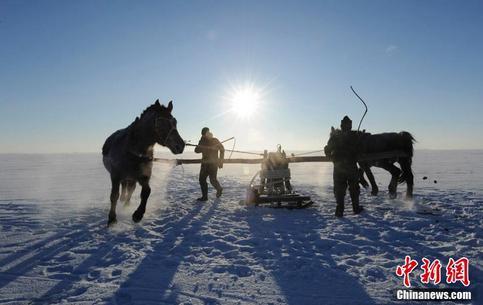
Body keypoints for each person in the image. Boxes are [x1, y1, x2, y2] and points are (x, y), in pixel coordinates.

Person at [324, 116, 364, 217]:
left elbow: (327, 149)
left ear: (341, 125)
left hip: (338, 167)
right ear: (350, 126)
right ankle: (356, 208)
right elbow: (361, 149)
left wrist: (331, 157)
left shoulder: (335, 136)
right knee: (354, 188)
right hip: (351, 167)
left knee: (339, 189)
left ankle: (339, 210)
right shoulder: (354, 135)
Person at [194, 127, 224, 201]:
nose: (204, 136)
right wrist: (202, 146)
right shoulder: (202, 141)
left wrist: (221, 161)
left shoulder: (215, 140)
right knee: (202, 180)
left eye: (204, 134)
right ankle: (205, 197)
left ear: (207, 133)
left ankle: (219, 189)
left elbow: (222, 149)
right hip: (205, 164)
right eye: (203, 135)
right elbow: (196, 150)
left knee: (212, 180)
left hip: (213, 164)